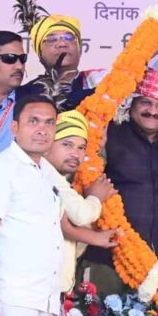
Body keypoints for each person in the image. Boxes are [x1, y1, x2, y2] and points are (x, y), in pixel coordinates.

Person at [85, 67, 158, 298]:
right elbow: (86, 180)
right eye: (145, 103)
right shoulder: (108, 137)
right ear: (132, 104)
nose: (152, 111)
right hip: (108, 257)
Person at [0, 95, 64, 316]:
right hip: (13, 302)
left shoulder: (46, 172)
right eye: (33, 121)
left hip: (46, 300)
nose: (42, 129)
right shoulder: (1, 170)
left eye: (49, 123)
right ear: (14, 127)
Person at [44, 110, 117, 295]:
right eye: (67, 144)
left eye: (81, 147)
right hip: (40, 288)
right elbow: (81, 214)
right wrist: (96, 197)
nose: (75, 154)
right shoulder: (47, 175)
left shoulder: (58, 177)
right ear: (47, 144)